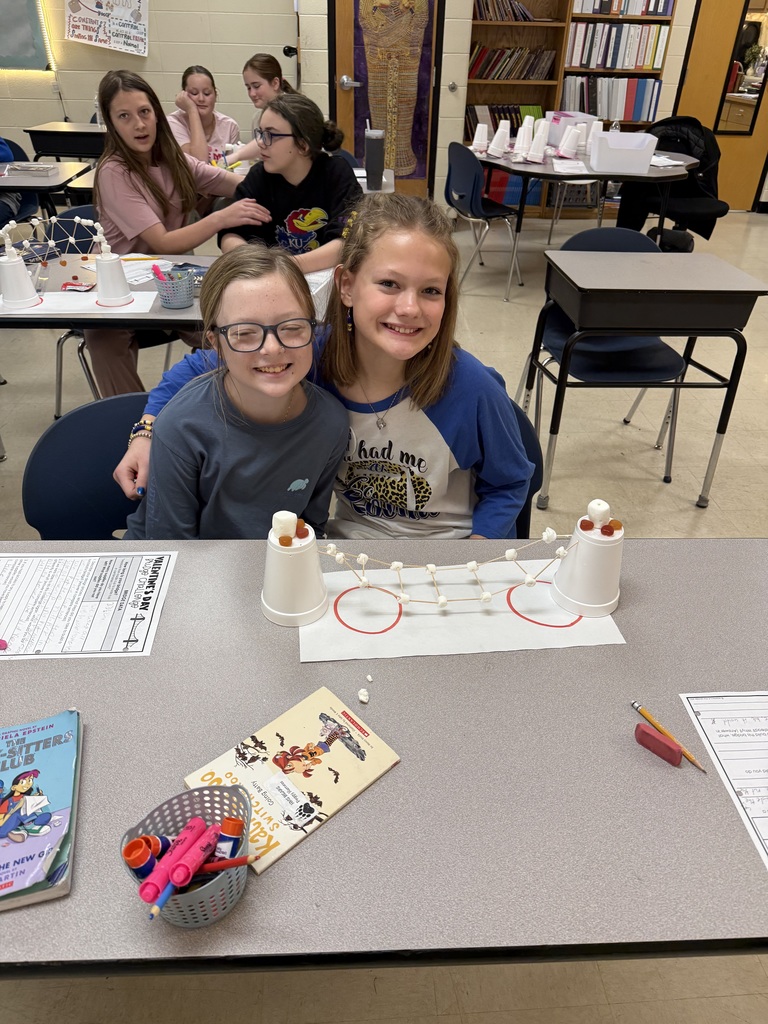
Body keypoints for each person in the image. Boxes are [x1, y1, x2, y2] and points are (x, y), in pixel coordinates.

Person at [115, 194, 534, 540]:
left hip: (446, 556)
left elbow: (511, 481)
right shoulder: (305, 353)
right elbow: (198, 368)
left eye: (430, 291)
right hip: (351, 551)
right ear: (346, 285)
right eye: (389, 284)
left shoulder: (470, 387)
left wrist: (477, 551)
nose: (409, 308)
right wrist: (147, 432)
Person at [124, 245, 348, 540]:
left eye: (293, 327)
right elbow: (172, 546)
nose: (272, 348)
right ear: (215, 343)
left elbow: (310, 529)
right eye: (244, 333)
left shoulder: (331, 423)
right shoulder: (181, 427)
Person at [86, 69, 271, 396]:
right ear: (111, 123)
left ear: (157, 113)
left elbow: (230, 182)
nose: (139, 124)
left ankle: (222, 403)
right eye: (124, 116)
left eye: (144, 112)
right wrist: (222, 217)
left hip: (170, 279)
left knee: (234, 329)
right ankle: (137, 420)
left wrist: (282, 181)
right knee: (103, 339)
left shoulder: (173, 160)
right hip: (122, 285)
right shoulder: (114, 171)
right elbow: (163, 241)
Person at [219, 93, 363, 273]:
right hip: (269, 278)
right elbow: (230, 234)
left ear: (303, 145)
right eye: (261, 133)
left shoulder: (336, 173)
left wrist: (286, 268)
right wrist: (253, 262)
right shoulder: (259, 177)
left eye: (271, 134)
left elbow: (346, 242)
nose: (261, 143)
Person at [227, 53, 296, 166]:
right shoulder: (257, 118)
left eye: (256, 86)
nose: (252, 93)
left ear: (275, 83)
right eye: (248, 88)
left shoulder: (292, 112)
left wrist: (236, 156)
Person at [167, 65, 241, 165]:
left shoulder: (230, 126)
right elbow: (199, 163)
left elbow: (234, 168)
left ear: (215, 95)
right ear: (183, 95)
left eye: (207, 93)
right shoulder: (173, 123)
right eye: (194, 93)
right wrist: (192, 110)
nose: (201, 99)